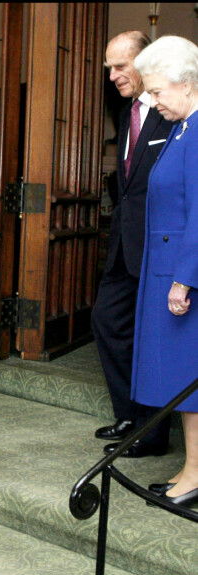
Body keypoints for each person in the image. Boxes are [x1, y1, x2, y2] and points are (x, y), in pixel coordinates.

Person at [91, 31, 173, 458]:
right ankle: (129, 414)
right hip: (124, 247)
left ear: (145, 62)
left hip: (160, 250)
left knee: (154, 338)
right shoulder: (127, 114)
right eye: (109, 67)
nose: (112, 75)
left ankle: (154, 432)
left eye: (120, 66)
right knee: (107, 321)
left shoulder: (172, 114)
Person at [132, 35, 198, 507]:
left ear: (186, 83)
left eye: (156, 92)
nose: (152, 102)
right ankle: (193, 466)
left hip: (183, 277)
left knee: (188, 377)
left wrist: (184, 277)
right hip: (168, 266)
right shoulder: (182, 128)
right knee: (178, 377)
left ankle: (195, 474)